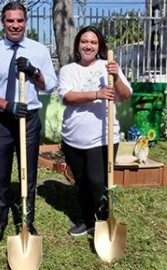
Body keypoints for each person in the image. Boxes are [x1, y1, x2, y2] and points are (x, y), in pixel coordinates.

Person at [0, 2, 57, 242]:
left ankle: (27, 221)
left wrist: (34, 71)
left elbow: (50, 85)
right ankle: (0, 223)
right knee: (1, 175)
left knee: (28, 173)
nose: (15, 25)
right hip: (3, 119)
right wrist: (8, 105)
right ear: (2, 22)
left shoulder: (39, 50)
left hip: (29, 119)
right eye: (10, 20)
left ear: (26, 22)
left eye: (19, 20)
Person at [58, 26, 132, 236]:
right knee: (81, 182)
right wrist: (97, 93)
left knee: (98, 182)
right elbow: (67, 97)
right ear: (78, 45)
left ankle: (104, 222)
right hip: (73, 137)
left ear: (99, 46)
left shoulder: (108, 67)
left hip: (103, 137)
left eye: (93, 42)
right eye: (84, 42)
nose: (88, 46)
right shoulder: (68, 70)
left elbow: (125, 96)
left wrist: (116, 77)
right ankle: (87, 219)